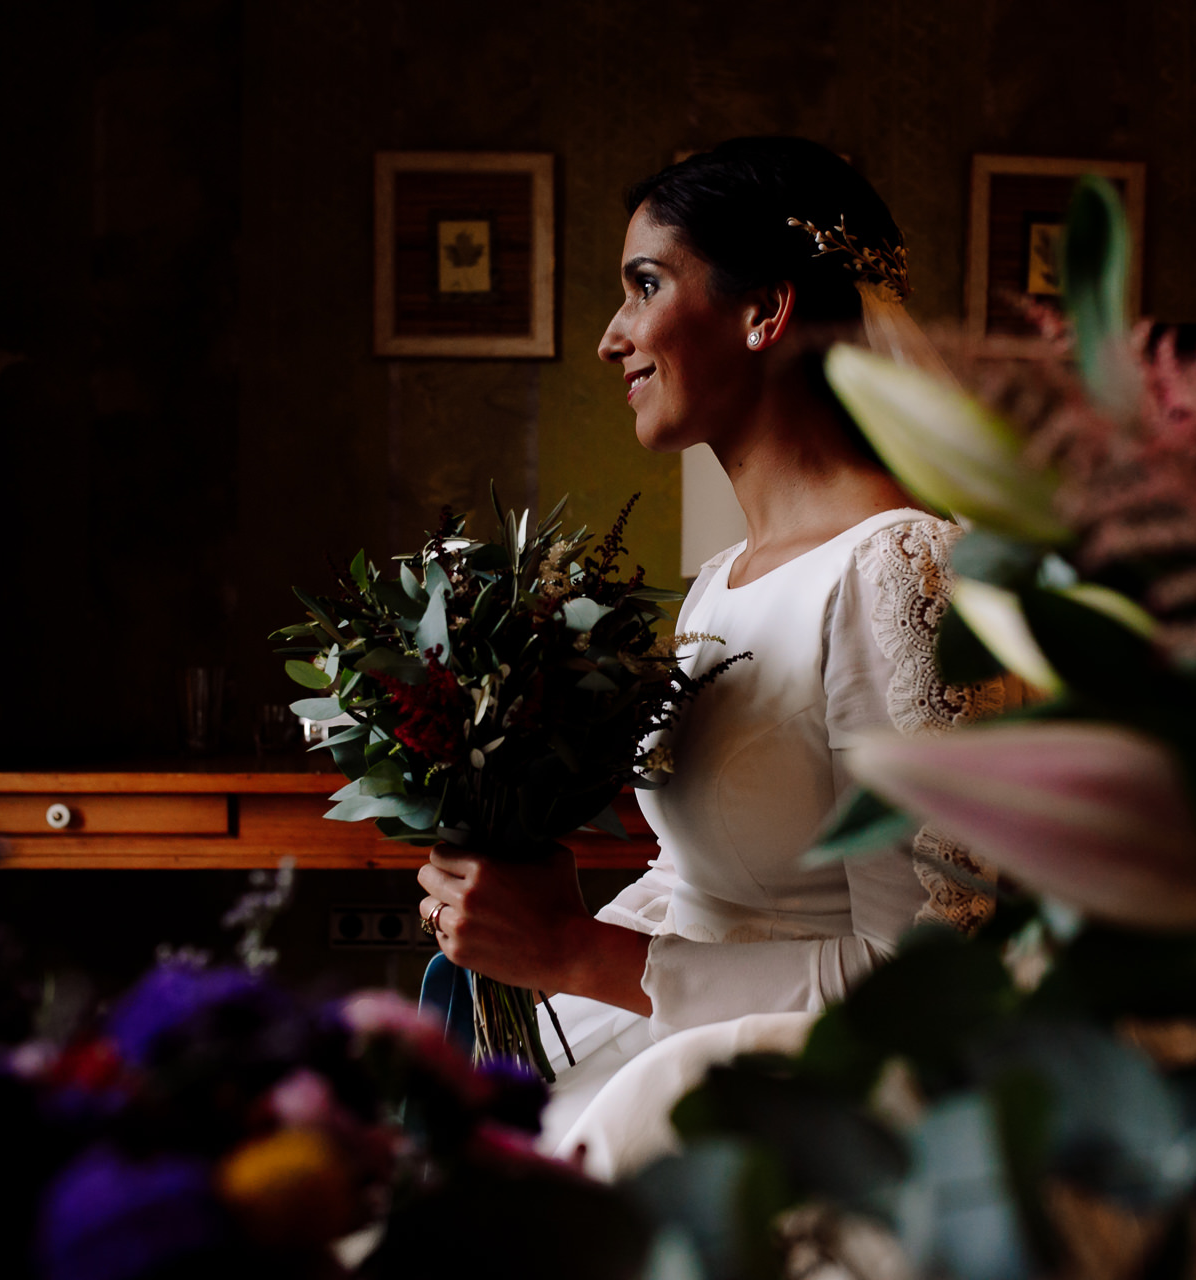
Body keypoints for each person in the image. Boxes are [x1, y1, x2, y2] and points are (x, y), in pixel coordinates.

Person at [414, 138, 1002, 1177]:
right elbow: (703, 882)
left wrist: (573, 953)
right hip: (665, 1034)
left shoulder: (898, 570)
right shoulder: (723, 578)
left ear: (762, 311)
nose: (611, 339)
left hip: (803, 1093)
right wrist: (525, 914)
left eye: (644, 285)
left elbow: (934, 986)